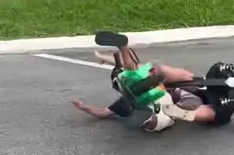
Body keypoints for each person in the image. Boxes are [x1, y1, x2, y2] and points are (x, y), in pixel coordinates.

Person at [71, 31, 217, 130]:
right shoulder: (127, 99)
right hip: (176, 93)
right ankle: (123, 49)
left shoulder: (127, 100)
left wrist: (85, 107)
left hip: (173, 92)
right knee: (170, 89)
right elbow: (103, 112)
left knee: (169, 95)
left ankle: (123, 50)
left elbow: (103, 112)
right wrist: (84, 107)